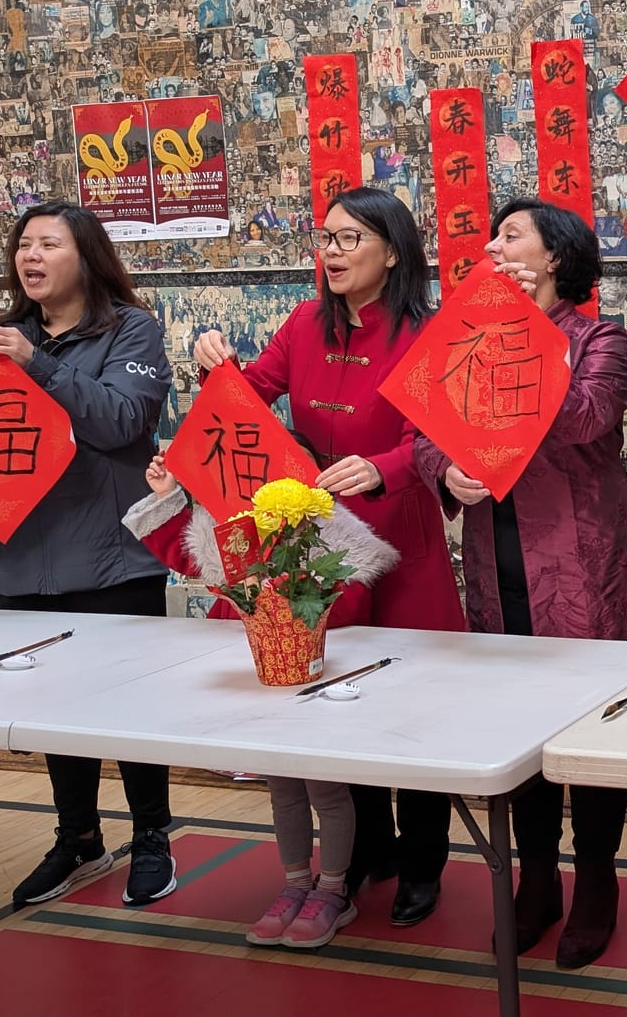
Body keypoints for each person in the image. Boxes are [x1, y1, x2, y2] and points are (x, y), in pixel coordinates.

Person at [192, 187, 466, 929]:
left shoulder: (426, 332)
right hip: (317, 541)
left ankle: (424, 862)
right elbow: (246, 401)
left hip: (399, 533)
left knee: (412, 702)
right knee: (339, 698)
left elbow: (445, 434)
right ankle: (367, 848)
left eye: (351, 238)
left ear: (393, 251)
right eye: (328, 237)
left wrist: (390, 466)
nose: (334, 251)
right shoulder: (304, 326)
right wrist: (210, 361)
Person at [415, 198, 627, 970]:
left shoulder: (602, 336)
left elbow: (587, 418)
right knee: (515, 726)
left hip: (585, 560)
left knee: (586, 729)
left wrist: (515, 334)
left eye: (510, 235)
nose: (493, 246)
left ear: (556, 255)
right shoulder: (465, 330)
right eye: (493, 234)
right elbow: (427, 431)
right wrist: (446, 467)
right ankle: (537, 879)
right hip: (496, 553)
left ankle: (597, 879)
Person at [0, 203, 178, 909]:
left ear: (87, 255)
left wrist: (39, 364)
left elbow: (120, 420)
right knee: (52, 710)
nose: (32, 255)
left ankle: (152, 839)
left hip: (115, 563)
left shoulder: (131, 328)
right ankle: (79, 837)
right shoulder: (2, 337)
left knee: (130, 711)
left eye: (49, 243)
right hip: (26, 563)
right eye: (24, 244)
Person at [123, 451, 399, 949]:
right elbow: (185, 553)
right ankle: (296, 881)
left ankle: (334, 889)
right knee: (283, 788)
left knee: (327, 791)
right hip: (263, 679)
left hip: (319, 682)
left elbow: (347, 609)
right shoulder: (233, 535)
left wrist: (287, 600)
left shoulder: (336, 539)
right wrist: (169, 498)